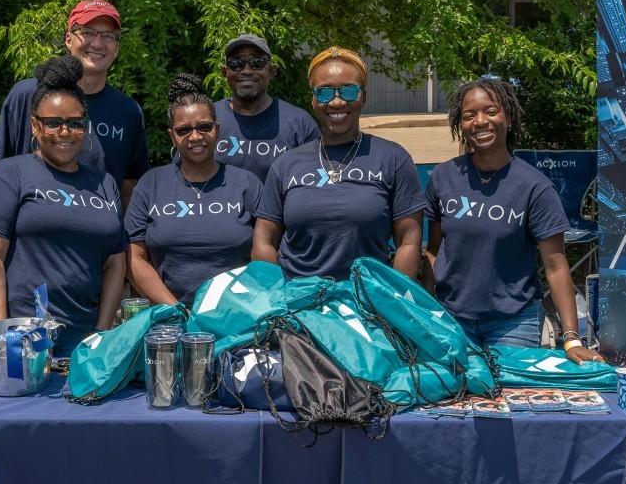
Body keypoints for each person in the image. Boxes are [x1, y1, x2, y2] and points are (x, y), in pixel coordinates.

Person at [421, 78, 601, 363]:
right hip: (451, 320)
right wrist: (429, 310)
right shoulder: (443, 177)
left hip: (513, 323)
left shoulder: (534, 186)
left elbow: (555, 266)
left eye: (491, 111)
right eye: (469, 115)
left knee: (509, 400)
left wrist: (571, 338)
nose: (480, 121)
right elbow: (433, 250)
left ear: (509, 117)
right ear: (460, 124)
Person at [0, 55, 127, 356]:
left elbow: (115, 263)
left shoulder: (104, 183)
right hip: (21, 338)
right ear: (34, 125)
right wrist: (2, 342)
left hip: (81, 342)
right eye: (53, 123)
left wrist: (101, 334)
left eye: (75, 124)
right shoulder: (11, 173)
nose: (64, 133)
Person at [253, 46, 425, 280]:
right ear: (312, 100)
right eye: (324, 93)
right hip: (299, 303)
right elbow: (264, 240)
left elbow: (409, 241)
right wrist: (276, 297)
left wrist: (391, 301)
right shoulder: (286, 164)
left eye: (349, 91)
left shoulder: (393, 158)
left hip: (368, 302)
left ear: (364, 96)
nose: (336, 102)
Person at [0, 0, 149, 208]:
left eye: (107, 35)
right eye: (88, 32)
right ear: (69, 39)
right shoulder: (27, 95)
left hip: (97, 235)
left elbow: (128, 191)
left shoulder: (128, 112)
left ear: (116, 48)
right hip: (32, 235)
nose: (98, 43)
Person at [126, 74, 263, 305]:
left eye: (204, 127)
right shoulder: (152, 184)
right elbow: (133, 257)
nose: (195, 136)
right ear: (172, 136)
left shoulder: (246, 183)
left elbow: (267, 250)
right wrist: (176, 310)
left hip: (239, 317)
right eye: (184, 130)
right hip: (168, 320)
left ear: (217, 129)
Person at [212, 33, 319, 182]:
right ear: (225, 72)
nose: (247, 71)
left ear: (271, 71)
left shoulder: (299, 123)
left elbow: (318, 180)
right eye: (236, 64)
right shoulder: (208, 118)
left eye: (257, 63)